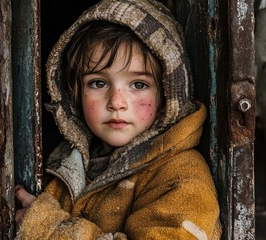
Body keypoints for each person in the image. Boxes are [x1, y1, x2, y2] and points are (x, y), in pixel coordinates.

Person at [15, 0, 222, 239]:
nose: (116, 102)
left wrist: (47, 229)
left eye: (138, 84)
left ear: (168, 94)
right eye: (98, 83)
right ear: (74, 92)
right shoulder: (70, 162)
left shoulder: (181, 176)